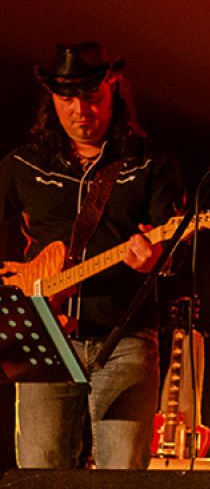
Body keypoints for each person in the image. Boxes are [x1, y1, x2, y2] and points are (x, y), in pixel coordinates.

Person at [0, 41, 182, 469]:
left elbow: (176, 251)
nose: (80, 111)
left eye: (91, 98)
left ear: (113, 91)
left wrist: (156, 258)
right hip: (45, 338)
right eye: (67, 100)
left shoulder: (151, 164)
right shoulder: (23, 165)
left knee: (122, 471)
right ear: (52, 101)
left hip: (126, 337)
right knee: (40, 469)